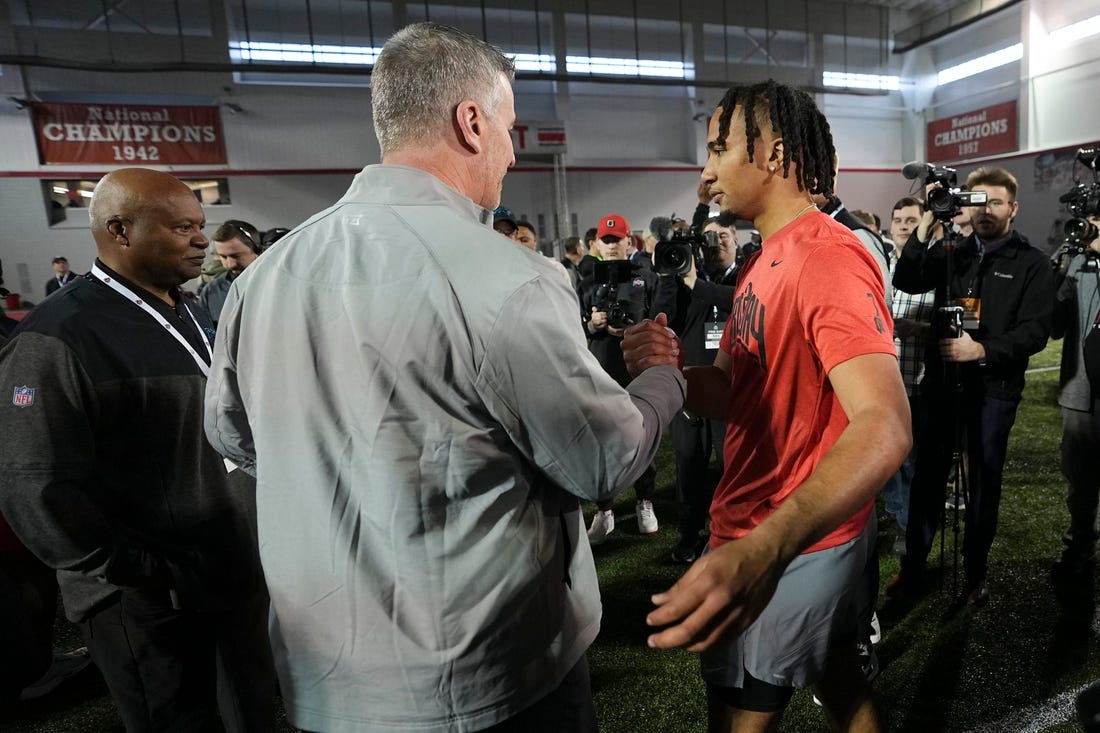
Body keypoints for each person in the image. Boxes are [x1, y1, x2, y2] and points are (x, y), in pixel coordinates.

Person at [203, 23, 685, 733]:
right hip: (487, 679)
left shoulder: (266, 277)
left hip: (325, 680)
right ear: (471, 121)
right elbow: (601, 459)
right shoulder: (507, 277)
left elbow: (235, 436)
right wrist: (660, 379)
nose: (514, 149)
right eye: (510, 126)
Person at [623, 79, 910, 732]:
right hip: (753, 524)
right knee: (835, 677)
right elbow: (730, 389)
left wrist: (767, 547)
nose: (705, 173)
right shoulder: (762, 259)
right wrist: (673, 374)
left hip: (787, 539)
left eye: (719, 149)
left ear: (775, 155)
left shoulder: (829, 258)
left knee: (739, 715)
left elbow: (886, 424)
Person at [0, 168, 274, 732]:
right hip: (146, 598)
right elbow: (33, 486)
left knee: (250, 713)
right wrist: (146, 571)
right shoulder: (57, 337)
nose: (201, 240)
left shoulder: (189, 309)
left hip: (223, 566)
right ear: (120, 231)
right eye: (181, 227)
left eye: (200, 226)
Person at [890, 166, 1054, 606]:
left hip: (993, 391)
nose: (986, 211)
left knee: (984, 483)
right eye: (979, 202)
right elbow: (906, 279)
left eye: (996, 202)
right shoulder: (952, 251)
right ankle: (913, 569)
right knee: (927, 480)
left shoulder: (1033, 263)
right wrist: (925, 222)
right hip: (944, 386)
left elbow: (1035, 332)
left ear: (1013, 208)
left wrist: (980, 351)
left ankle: (974, 573)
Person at [580, 212, 675, 542]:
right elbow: (577, 324)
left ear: (627, 242)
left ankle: (644, 501)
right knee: (600, 440)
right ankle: (604, 510)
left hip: (636, 367)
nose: (610, 246)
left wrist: (636, 328)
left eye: (616, 240)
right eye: (605, 241)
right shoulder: (588, 280)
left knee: (641, 435)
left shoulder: (643, 276)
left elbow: (660, 316)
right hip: (601, 366)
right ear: (597, 244)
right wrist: (591, 325)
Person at [663, 214, 739, 564]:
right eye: (709, 238)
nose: (717, 243)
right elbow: (663, 318)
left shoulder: (746, 274)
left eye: (723, 236)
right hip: (690, 387)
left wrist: (696, 283)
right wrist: (674, 277)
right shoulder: (684, 278)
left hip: (734, 388)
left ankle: (734, 531)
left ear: (736, 240)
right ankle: (689, 535)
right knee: (689, 465)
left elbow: (739, 299)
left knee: (733, 464)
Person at [1050, 212, 1100, 579]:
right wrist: (1059, 271)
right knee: (1080, 479)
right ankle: (1080, 545)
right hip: (1080, 391)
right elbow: (1053, 325)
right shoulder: (1078, 262)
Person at [197, 219, 263, 324]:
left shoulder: (279, 286)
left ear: (258, 251)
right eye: (223, 256)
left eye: (236, 256)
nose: (230, 264)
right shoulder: (211, 291)